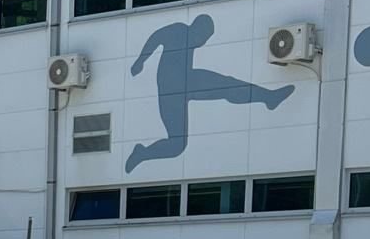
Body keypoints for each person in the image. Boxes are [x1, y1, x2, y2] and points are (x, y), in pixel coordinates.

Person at [127, 14, 296, 173]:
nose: (202, 43)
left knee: (226, 88)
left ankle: (268, 97)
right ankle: (143, 154)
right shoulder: (178, 30)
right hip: (176, 83)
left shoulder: (190, 38)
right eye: (203, 38)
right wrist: (140, 60)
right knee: (179, 143)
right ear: (196, 29)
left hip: (181, 84)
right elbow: (156, 37)